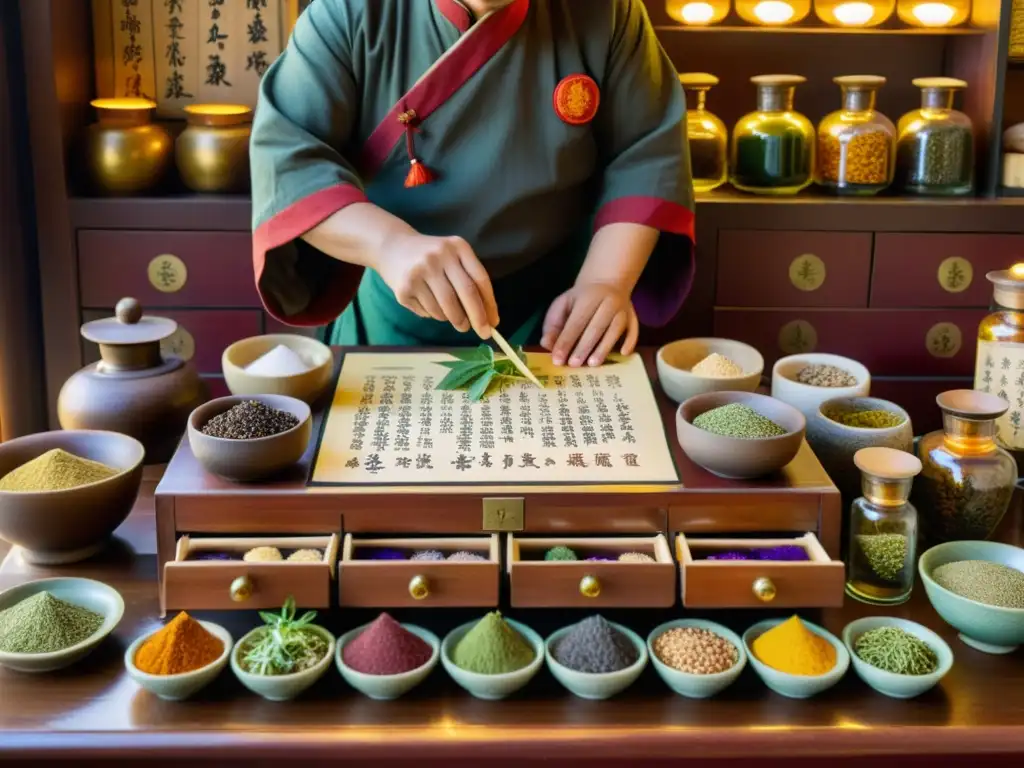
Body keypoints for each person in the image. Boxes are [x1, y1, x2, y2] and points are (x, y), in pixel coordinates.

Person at [251, 0, 694, 368]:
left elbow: (647, 151)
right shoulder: (348, 13)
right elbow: (290, 162)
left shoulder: (608, 10)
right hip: (402, 306)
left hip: (561, 311)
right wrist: (389, 245)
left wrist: (606, 281)